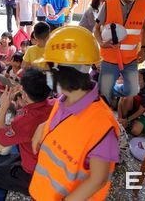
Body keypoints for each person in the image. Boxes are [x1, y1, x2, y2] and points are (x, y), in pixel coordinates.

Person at [30, 26, 120, 200]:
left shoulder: (102, 125)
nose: (46, 75)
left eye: (48, 70)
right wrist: (43, 126)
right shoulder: (63, 100)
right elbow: (65, 127)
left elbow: (98, 179)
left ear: (63, 72)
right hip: (43, 192)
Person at [94, 0, 145, 100]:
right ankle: (106, 98)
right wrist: (101, 42)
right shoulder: (109, 4)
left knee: (132, 90)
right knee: (105, 93)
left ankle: (114, 92)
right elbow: (96, 28)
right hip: (109, 57)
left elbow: (144, 28)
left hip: (131, 58)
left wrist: (144, 49)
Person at [0, 68, 53, 195]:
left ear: (24, 94)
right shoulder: (56, 104)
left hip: (37, 170)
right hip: (50, 156)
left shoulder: (23, 122)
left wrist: (3, 108)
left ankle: (37, 188)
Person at [117, 69, 145, 136]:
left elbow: (140, 111)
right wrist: (120, 118)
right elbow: (120, 101)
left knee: (135, 131)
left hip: (142, 115)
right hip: (129, 111)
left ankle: (128, 122)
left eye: (139, 79)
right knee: (127, 97)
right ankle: (124, 122)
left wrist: (127, 120)